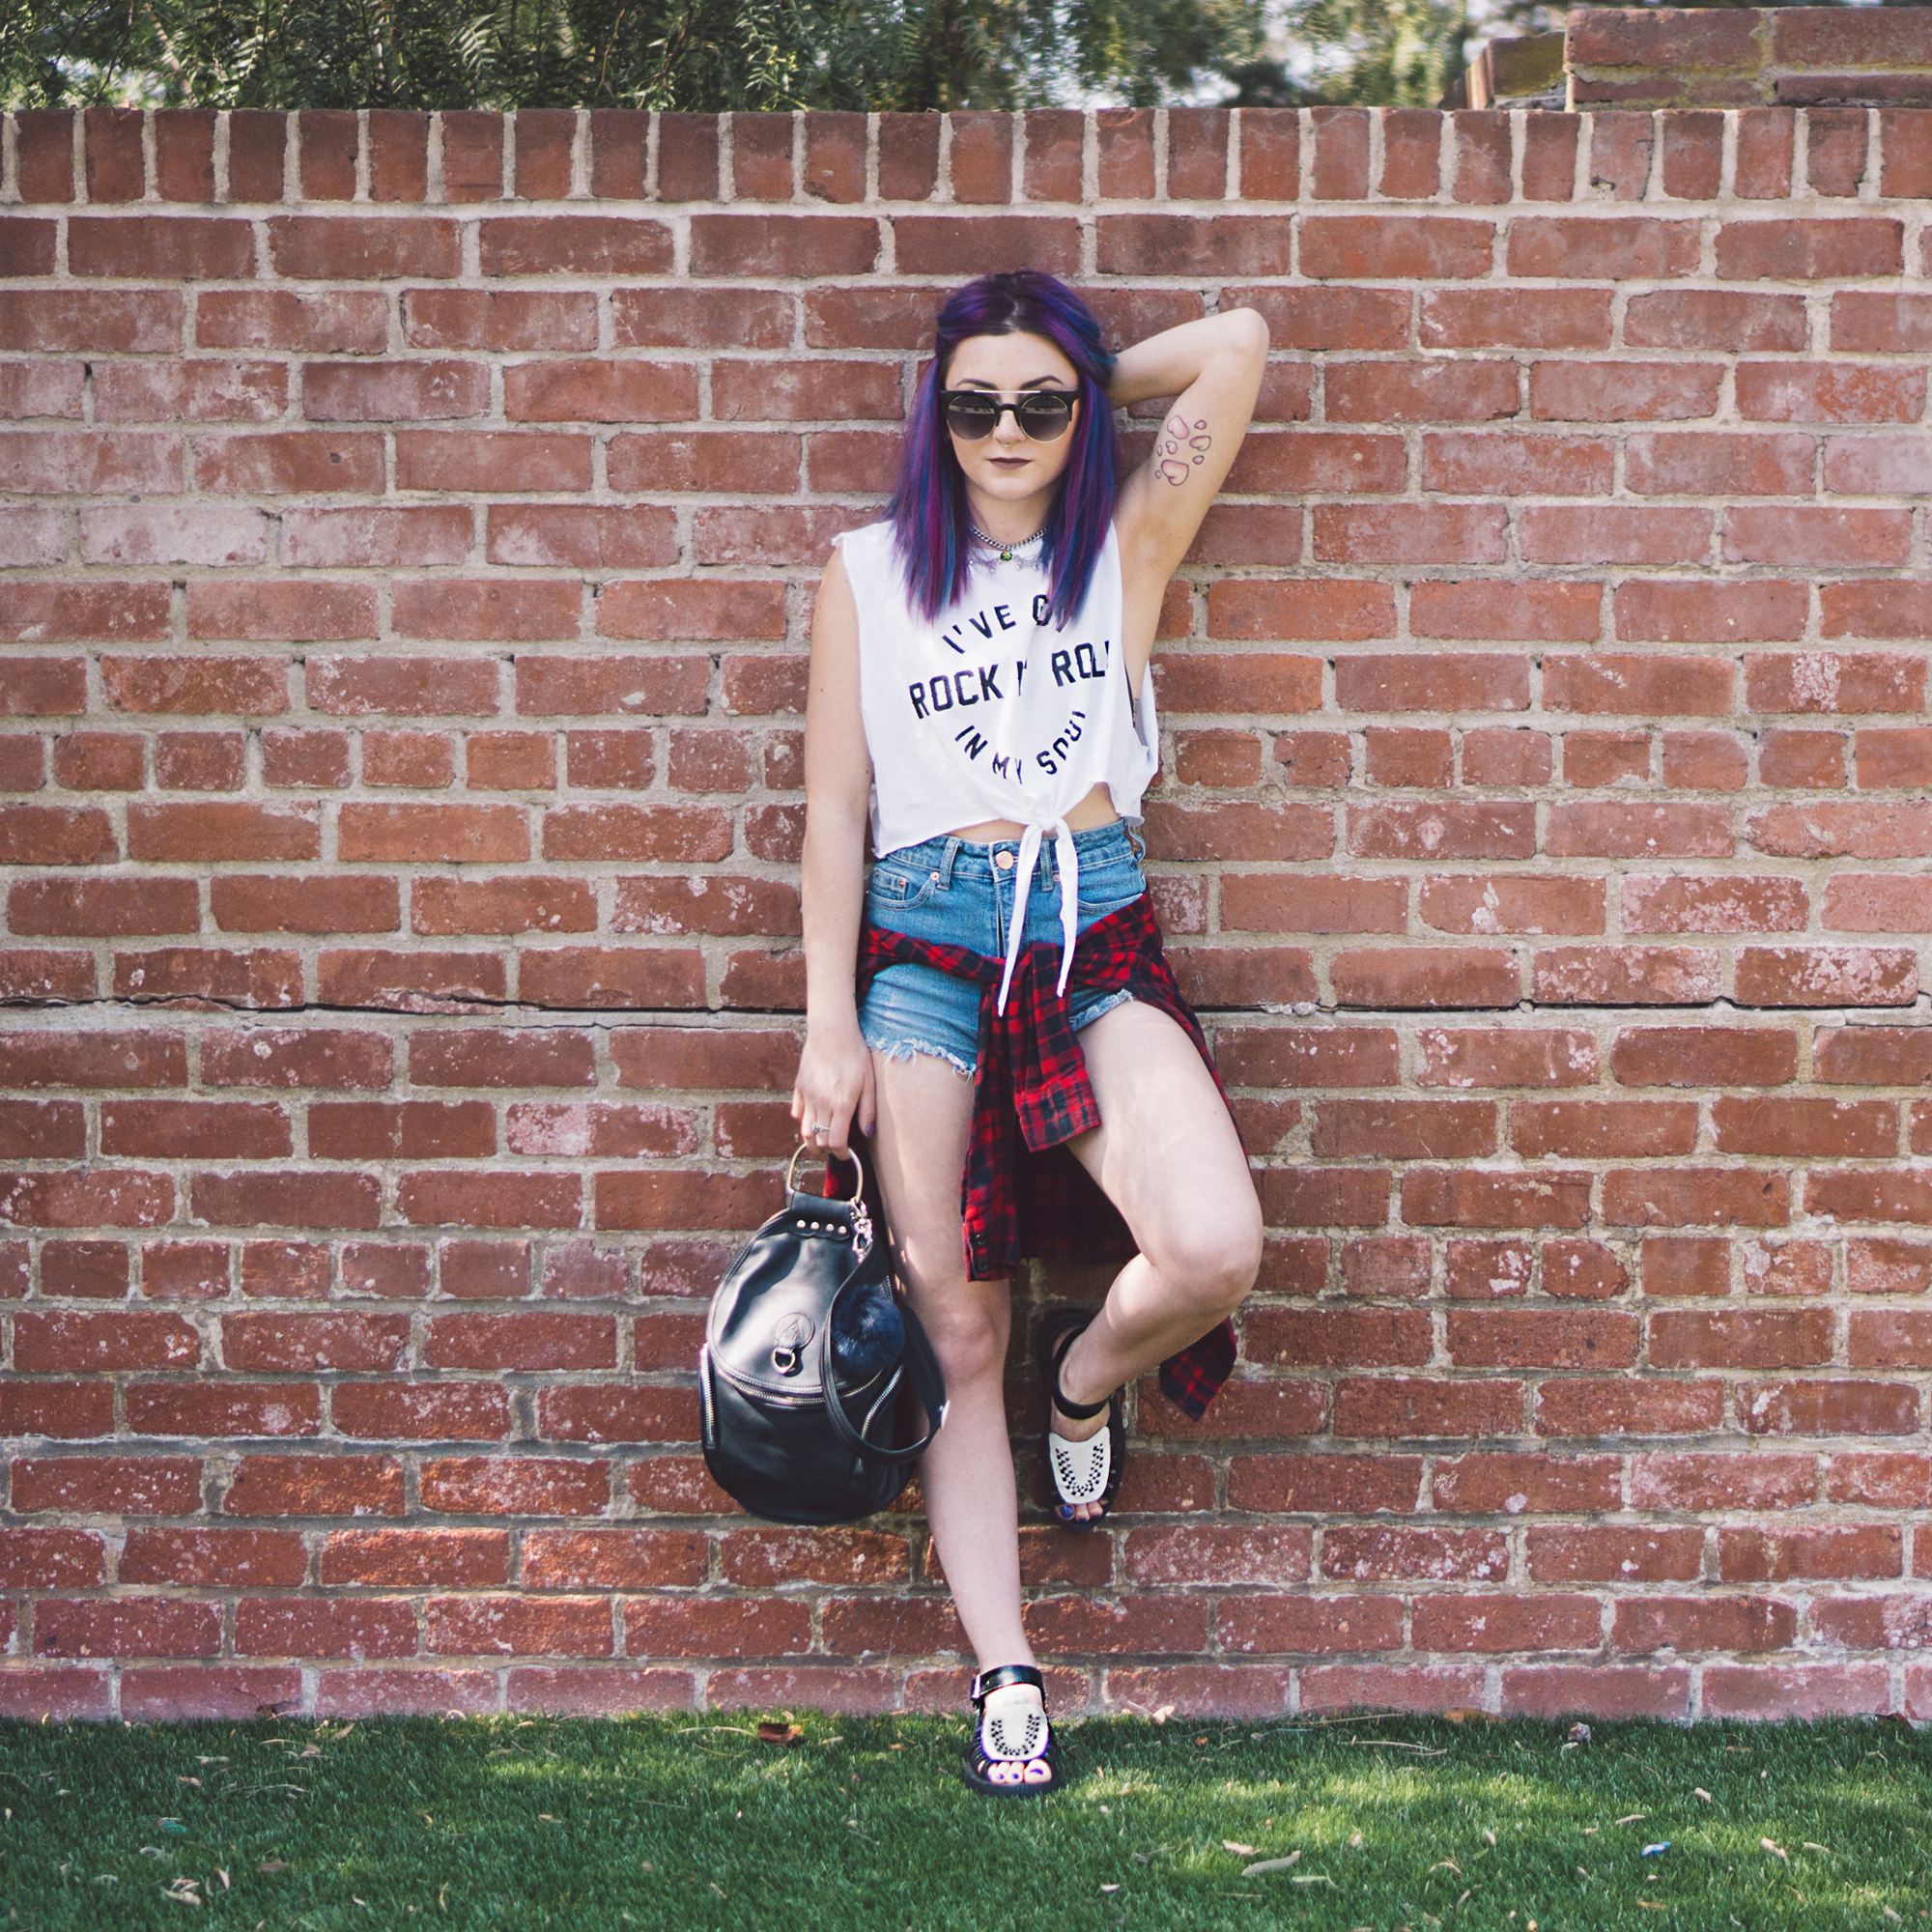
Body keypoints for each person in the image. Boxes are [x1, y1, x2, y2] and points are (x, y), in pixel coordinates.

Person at [790, 270, 1268, 1795]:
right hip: (924, 957)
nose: (1007, 429)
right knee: (953, 1327)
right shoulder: (867, 575)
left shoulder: (1119, 548)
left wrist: (1080, 364)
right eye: (976, 399)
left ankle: (1086, 1378)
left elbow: (1237, 351)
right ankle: (1007, 1675)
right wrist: (825, 1029)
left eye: (1040, 403)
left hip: (1090, 934)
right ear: (933, 410)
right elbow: (834, 810)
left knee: (1210, 1246)